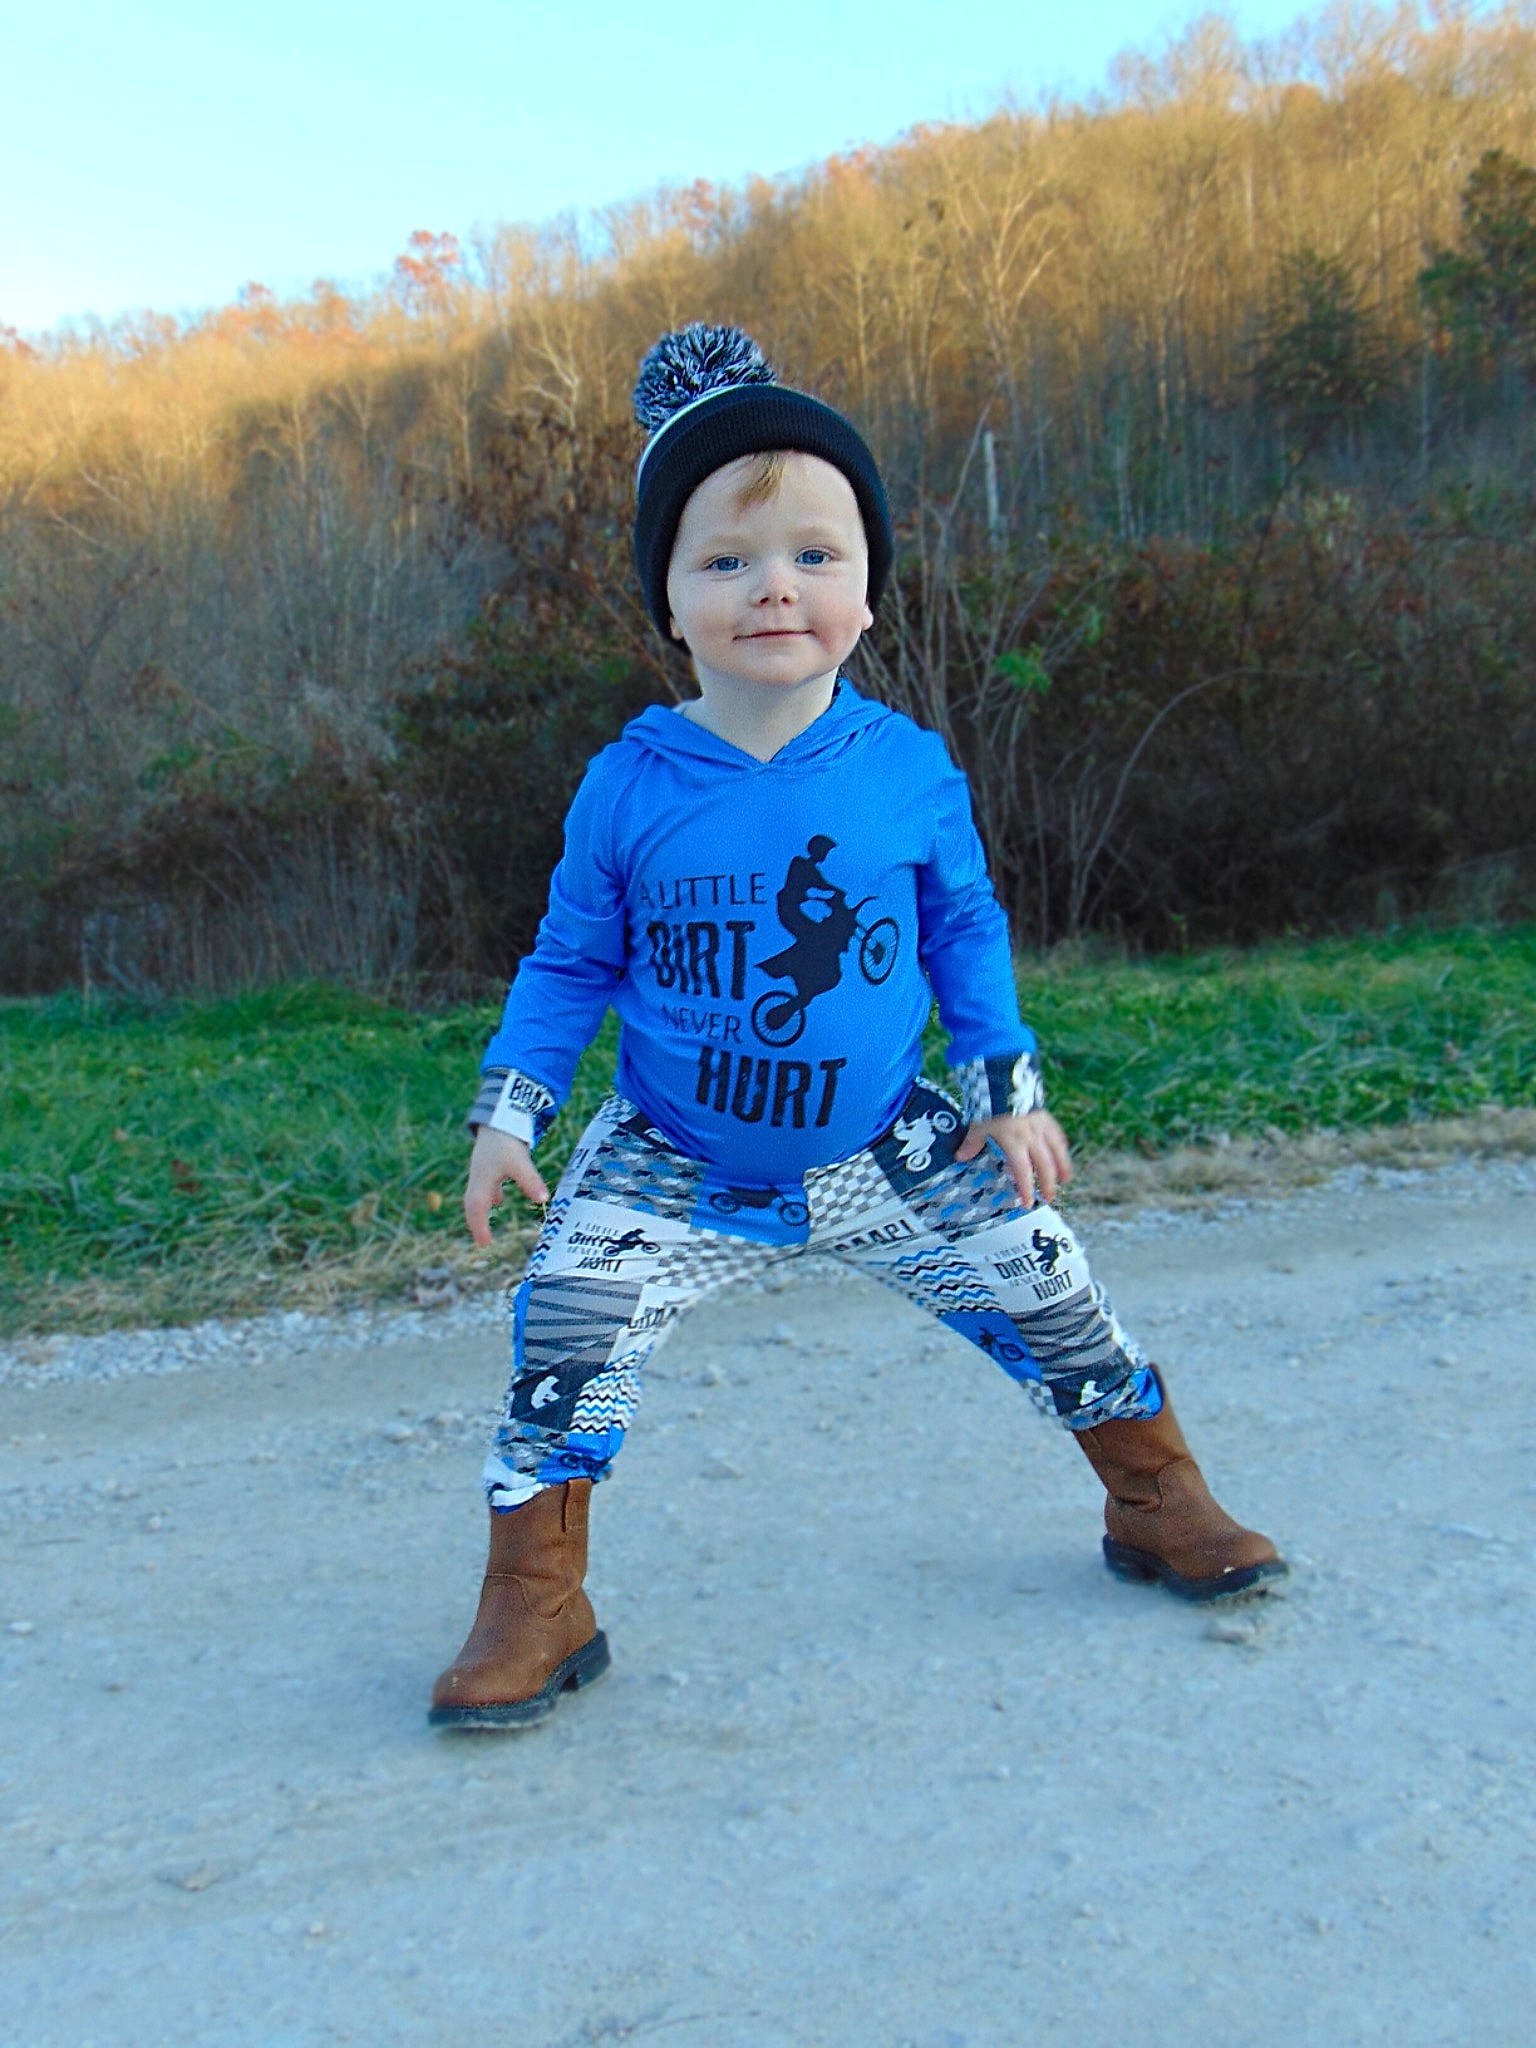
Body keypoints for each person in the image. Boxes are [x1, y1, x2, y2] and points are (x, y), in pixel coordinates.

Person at [429, 325, 1284, 1730]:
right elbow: (570, 961)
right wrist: (509, 1115)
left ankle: (1155, 1497)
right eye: (726, 561)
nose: (776, 586)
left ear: (868, 592)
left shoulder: (906, 770)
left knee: (1047, 1281)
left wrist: (1003, 1088)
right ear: (670, 600)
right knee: (565, 1331)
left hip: (887, 1143)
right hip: (672, 1158)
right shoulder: (629, 785)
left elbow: (964, 929)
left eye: (816, 555)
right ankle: (536, 1596)